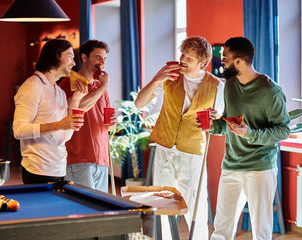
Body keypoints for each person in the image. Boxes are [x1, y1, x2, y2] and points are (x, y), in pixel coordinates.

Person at [135, 36, 224, 239]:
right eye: (182, 54)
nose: (182, 60)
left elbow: (218, 120)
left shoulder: (217, 86)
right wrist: (157, 78)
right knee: (163, 205)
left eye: (189, 58)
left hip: (192, 153)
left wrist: (212, 118)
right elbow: (139, 104)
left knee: (196, 207)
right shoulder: (170, 77)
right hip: (164, 149)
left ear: (203, 63)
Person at [207, 37, 290, 240]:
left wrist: (250, 133)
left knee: (261, 229)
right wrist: (210, 125)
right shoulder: (230, 86)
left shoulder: (271, 91)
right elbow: (227, 125)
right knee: (221, 228)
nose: (221, 61)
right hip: (231, 165)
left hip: (260, 167)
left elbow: (283, 131)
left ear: (238, 61)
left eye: (224, 57)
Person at [13, 39, 87, 184]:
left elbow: (65, 136)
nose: (73, 63)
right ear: (56, 55)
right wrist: (59, 125)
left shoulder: (59, 92)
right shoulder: (32, 87)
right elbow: (19, 130)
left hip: (59, 169)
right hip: (37, 171)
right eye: (70, 56)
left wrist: (77, 99)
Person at [59, 40, 117, 193]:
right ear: (84, 58)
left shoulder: (101, 88)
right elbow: (77, 109)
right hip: (78, 158)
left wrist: (113, 123)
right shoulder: (68, 83)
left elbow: (109, 125)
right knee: (83, 209)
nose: (102, 63)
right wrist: (103, 87)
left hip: (101, 159)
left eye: (104, 59)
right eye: (98, 57)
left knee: (98, 207)